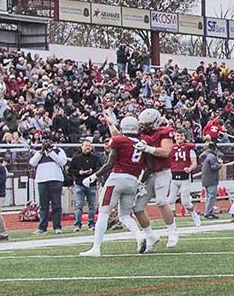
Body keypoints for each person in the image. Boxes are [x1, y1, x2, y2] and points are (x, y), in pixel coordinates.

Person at [80, 115, 150, 256]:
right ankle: (139, 235)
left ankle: (96, 248)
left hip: (117, 179)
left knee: (104, 213)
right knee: (124, 215)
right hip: (133, 181)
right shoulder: (143, 143)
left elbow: (110, 163)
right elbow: (149, 166)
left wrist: (94, 176)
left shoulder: (118, 141)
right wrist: (141, 182)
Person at [134, 108, 182, 248]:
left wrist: (147, 148)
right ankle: (150, 236)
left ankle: (172, 232)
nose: (144, 127)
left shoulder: (165, 132)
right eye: (143, 124)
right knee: (137, 208)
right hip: (147, 173)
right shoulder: (140, 133)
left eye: (147, 124)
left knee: (161, 201)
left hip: (162, 171)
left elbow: (166, 152)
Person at [28, 139, 68, 232]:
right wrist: (42, 152)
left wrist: (50, 152)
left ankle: (57, 226)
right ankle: (42, 227)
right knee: (43, 205)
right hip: (42, 180)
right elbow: (32, 163)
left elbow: (62, 162)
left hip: (56, 179)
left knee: (56, 204)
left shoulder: (59, 151)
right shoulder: (39, 153)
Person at [67, 139, 103, 230]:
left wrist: (93, 173)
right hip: (79, 184)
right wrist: (79, 172)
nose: (88, 147)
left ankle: (91, 223)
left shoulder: (95, 158)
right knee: (79, 205)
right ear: (81, 147)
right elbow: (70, 170)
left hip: (91, 184)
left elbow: (99, 169)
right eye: (86, 145)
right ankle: (77, 224)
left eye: (89, 146)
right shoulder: (76, 158)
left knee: (92, 206)